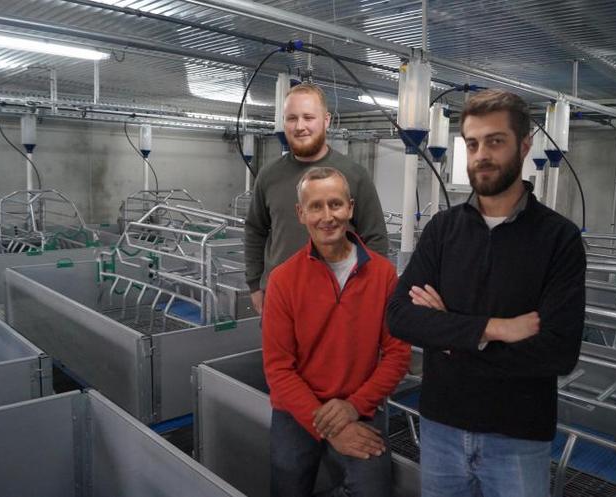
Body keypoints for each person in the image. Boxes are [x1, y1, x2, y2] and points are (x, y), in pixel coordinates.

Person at [387, 89, 586, 497]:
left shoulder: (558, 238)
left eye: (495, 141)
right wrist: (495, 329)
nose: (481, 155)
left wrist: (452, 337)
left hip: (517, 435)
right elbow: (399, 316)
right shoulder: (443, 230)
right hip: (442, 425)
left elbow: (558, 351)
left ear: (525, 145)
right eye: (472, 144)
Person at [262, 167, 410, 497]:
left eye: (335, 204)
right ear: (301, 213)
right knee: (288, 481)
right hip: (297, 407)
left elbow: (398, 354)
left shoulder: (383, 275)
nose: (327, 216)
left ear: (351, 208)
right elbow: (278, 369)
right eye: (316, 206)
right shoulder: (283, 280)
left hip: (361, 404)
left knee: (374, 489)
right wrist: (330, 428)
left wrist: (353, 407)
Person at [245, 83, 388, 314]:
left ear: (326, 120)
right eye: (291, 118)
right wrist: (254, 285)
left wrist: (368, 291)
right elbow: (255, 230)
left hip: (339, 299)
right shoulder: (269, 176)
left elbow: (376, 239)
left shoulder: (354, 175)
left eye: (308, 117)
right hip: (281, 298)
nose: (300, 126)